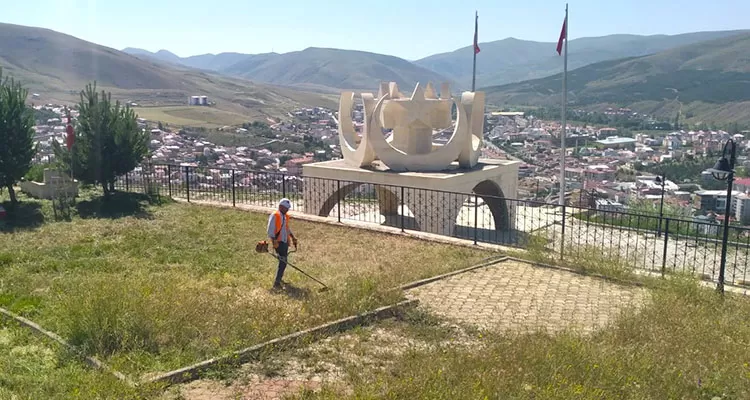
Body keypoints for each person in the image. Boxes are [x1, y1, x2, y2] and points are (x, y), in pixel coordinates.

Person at [267, 198, 298, 289]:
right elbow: (270, 230)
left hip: (284, 241)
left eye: (288, 208)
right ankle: (277, 282)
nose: (287, 209)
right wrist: (274, 241)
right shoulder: (275, 215)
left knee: (282, 261)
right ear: (280, 206)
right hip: (278, 241)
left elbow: (286, 228)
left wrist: (292, 237)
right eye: (285, 208)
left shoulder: (284, 216)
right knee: (283, 261)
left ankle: (279, 279)